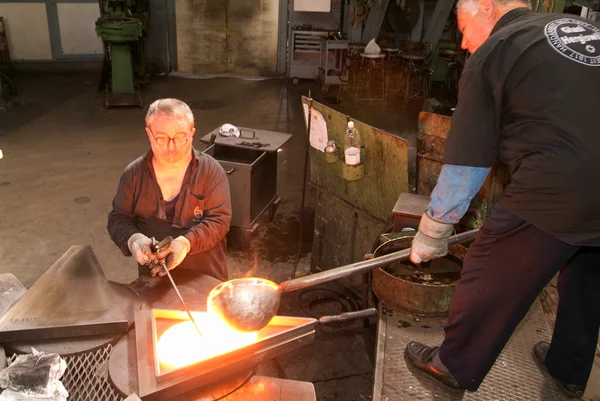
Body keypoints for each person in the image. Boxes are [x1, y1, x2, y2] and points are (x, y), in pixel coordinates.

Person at [404, 0, 600, 398]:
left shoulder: (496, 49)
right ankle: (569, 367)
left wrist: (433, 228)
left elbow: (468, 158)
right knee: (587, 272)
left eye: (462, 28)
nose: (462, 43)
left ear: (487, 8)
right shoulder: (573, 28)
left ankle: (451, 365)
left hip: (561, 182)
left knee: (489, 263)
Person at [107, 98, 232, 282]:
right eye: (162, 138)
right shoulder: (133, 174)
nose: (171, 147)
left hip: (205, 279)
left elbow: (219, 220)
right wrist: (134, 240)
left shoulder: (210, 171)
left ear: (192, 133)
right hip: (153, 282)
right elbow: (118, 219)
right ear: (149, 134)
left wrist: (185, 243)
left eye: (180, 137)